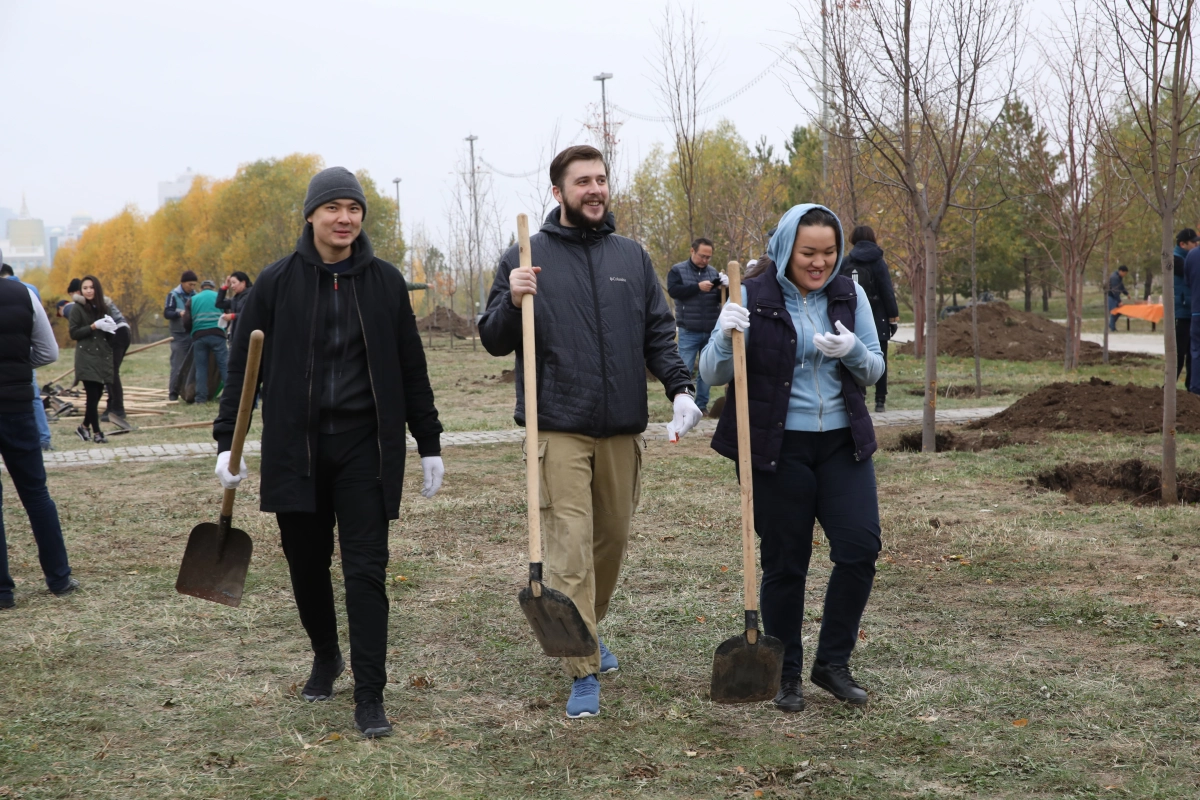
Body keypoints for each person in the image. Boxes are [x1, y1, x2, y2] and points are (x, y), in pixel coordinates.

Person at [211, 166, 445, 739]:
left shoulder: (385, 283)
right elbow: (243, 366)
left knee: (366, 571)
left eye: (354, 208)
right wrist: (227, 441)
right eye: (334, 207)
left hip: (366, 448)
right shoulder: (277, 282)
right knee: (307, 567)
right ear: (312, 215)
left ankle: (370, 696)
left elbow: (411, 368)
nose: (345, 218)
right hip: (298, 449)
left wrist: (429, 441)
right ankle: (325, 654)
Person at [479, 145, 702, 719]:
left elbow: (657, 330)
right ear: (559, 193)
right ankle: (582, 668)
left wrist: (680, 387)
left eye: (601, 179)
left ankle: (586, 630)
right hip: (559, 428)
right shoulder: (527, 256)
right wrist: (513, 296)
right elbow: (494, 337)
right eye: (583, 182)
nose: (595, 189)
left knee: (611, 543)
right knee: (570, 551)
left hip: (622, 429)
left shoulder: (632, 255)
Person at [700, 203, 885, 713]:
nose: (820, 262)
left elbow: (873, 369)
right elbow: (712, 373)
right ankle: (786, 674)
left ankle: (833, 663)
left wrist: (851, 350)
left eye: (829, 252)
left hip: (841, 444)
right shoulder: (751, 296)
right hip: (777, 447)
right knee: (786, 561)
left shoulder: (850, 294)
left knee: (859, 547)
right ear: (786, 248)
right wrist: (724, 330)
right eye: (809, 252)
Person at [0, 274, 80, 609]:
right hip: (17, 406)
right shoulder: (24, 294)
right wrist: (16, 364)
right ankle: (59, 578)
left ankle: (2, 593)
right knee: (36, 493)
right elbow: (48, 352)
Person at [667, 238, 728, 416]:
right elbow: (674, 291)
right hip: (688, 328)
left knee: (706, 370)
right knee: (684, 369)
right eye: (702, 256)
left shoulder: (713, 272)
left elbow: (720, 300)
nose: (705, 260)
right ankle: (683, 406)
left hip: (710, 329)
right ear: (692, 251)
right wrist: (697, 287)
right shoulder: (677, 270)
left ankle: (701, 406)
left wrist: (724, 288)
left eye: (709, 257)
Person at [843, 226, 900, 413]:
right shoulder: (878, 263)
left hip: (851, 318)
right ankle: (880, 401)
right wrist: (893, 317)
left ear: (853, 239)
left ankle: (860, 396)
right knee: (880, 358)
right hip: (878, 319)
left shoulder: (845, 262)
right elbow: (887, 292)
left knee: (855, 357)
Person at [1, 256, 52, 450]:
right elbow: (48, 350)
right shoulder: (29, 292)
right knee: (34, 398)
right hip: (20, 370)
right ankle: (44, 438)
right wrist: (22, 363)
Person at [67, 276, 117, 444]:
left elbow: (109, 333)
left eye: (91, 287)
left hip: (102, 356)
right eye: (85, 288)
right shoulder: (77, 308)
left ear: (97, 289)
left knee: (96, 396)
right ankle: (97, 433)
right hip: (86, 356)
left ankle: (83, 427)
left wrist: (111, 328)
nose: (88, 290)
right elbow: (74, 333)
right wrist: (93, 326)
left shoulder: (104, 307)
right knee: (92, 395)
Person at [186, 280, 227, 403]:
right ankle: (231, 395)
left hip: (199, 336)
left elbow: (186, 320)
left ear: (201, 288)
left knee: (201, 367)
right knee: (224, 366)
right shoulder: (219, 297)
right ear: (213, 288)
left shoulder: (193, 299)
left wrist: (191, 331)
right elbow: (228, 316)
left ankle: (200, 398)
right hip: (217, 335)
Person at [164, 270, 198, 400]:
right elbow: (167, 313)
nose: (192, 287)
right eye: (190, 284)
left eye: (194, 285)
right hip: (178, 335)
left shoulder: (195, 296)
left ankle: (189, 392)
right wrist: (180, 313)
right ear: (182, 283)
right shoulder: (173, 295)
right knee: (177, 364)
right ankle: (173, 392)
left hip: (192, 333)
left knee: (192, 366)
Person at [101, 298, 132, 430]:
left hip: (118, 333)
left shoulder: (76, 306)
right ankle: (111, 406)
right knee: (109, 372)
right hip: (120, 332)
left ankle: (118, 408)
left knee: (111, 372)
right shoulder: (92, 300)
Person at [1174, 229, 1198, 387]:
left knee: (1192, 353)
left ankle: (1190, 385)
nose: (1196, 245)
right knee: (1179, 353)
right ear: (1182, 244)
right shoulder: (1175, 260)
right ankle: (1169, 385)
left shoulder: (1188, 257)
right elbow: (1188, 275)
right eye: (1193, 242)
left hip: (1191, 312)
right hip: (1183, 312)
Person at [216, 271, 253, 343]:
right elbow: (219, 304)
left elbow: (251, 314)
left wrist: (233, 316)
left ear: (243, 282)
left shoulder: (251, 296)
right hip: (236, 336)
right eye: (231, 283)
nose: (232, 286)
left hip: (246, 336)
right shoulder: (235, 299)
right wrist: (225, 287)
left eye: (234, 283)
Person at [1107, 265, 1129, 332]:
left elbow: (1121, 286)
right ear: (1120, 271)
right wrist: (1119, 301)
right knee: (1114, 311)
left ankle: (1111, 325)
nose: (1124, 275)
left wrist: (1127, 293)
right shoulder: (1114, 278)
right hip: (1111, 297)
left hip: (1115, 297)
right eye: (1124, 273)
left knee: (1119, 311)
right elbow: (1115, 290)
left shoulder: (1119, 277)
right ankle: (1112, 327)